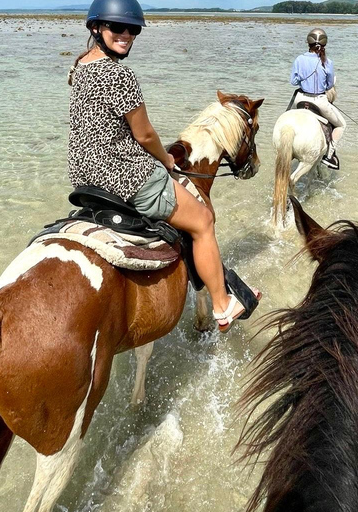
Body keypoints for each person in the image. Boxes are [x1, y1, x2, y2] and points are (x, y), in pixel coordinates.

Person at [66, 0, 259, 332]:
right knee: (202, 220)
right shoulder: (119, 75)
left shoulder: (79, 65)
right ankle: (223, 305)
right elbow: (144, 133)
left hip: (83, 174)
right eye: (117, 28)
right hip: (123, 174)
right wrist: (166, 158)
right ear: (96, 28)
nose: (126, 35)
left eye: (133, 29)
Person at [290, 28, 346, 170]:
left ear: (308, 43)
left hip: (300, 98)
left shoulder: (299, 59)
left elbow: (294, 81)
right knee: (341, 125)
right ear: (324, 45)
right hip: (319, 101)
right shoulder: (327, 62)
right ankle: (329, 156)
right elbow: (329, 85)